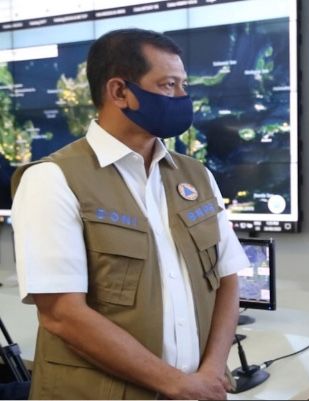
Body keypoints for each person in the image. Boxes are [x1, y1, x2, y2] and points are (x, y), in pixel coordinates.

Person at [10, 29, 250, 400]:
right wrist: (177, 383)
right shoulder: (52, 179)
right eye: (168, 84)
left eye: (184, 84)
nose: (182, 97)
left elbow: (228, 280)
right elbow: (61, 313)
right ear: (120, 92)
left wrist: (211, 372)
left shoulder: (195, 176)